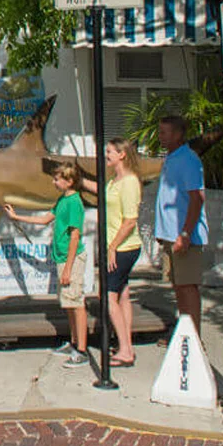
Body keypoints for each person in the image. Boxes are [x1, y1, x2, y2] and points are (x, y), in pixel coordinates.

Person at [5, 164, 91, 368]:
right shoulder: (62, 200)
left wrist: (69, 268)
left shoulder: (74, 203)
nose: (53, 182)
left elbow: (75, 236)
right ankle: (74, 342)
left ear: (69, 181)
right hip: (61, 257)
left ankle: (82, 350)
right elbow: (45, 219)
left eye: (57, 179)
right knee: (68, 303)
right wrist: (17, 217)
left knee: (76, 303)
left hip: (71, 259)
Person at [79, 138, 145, 367]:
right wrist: (79, 181)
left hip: (123, 248)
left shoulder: (129, 182)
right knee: (123, 294)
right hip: (121, 247)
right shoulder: (115, 180)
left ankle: (125, 351)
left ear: (122, 155)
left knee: (108, 297)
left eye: (109, 152)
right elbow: (102, 192)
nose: (105, 155)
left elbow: (130, 220)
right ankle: (126, 344)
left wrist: (112, 247)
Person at [153, 114, 207, 337]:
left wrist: (185, 233)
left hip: (184, 235)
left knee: (188, 286)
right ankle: (184, 335)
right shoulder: (172, 157)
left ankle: (194, 338)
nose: (160, 136)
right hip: (169, 235)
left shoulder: (188, 159)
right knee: (177, 285)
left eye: (164, 132)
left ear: (177, 134)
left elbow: (196, 197)